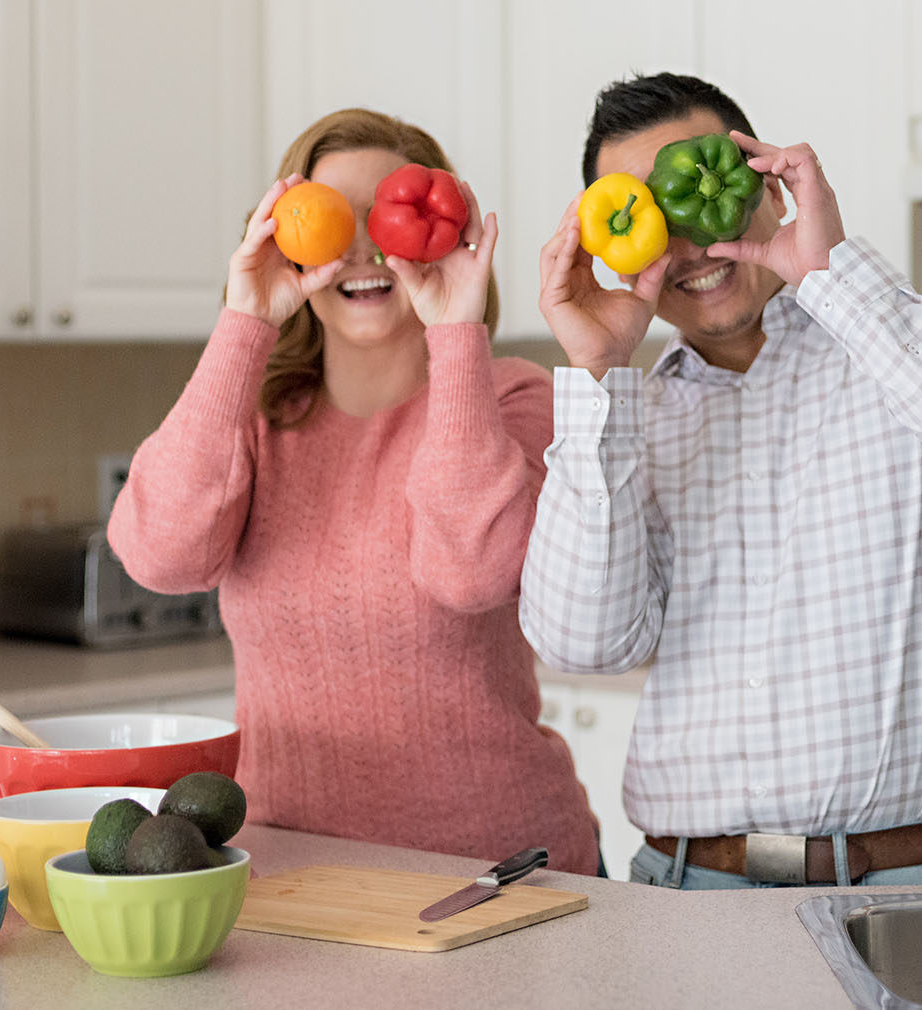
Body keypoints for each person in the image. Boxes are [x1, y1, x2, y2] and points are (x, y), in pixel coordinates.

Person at [520, 73, 922, 890]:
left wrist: (830, 270)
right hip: (684, 887)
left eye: (701, 197)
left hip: (904, 887)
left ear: (766, 183)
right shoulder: (629, 415)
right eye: (652, 218)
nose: (689, 246)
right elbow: (583, 642)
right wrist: (597, 376)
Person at [109, 108, 600, 875]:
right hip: (294, 877)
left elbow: (469, 575)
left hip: (499, 877)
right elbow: (159, 556)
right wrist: (246, 321)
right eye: (338, 220)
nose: (368, 248)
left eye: (394, 216)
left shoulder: (511, 400)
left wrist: (456, 332)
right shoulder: (259, 423)